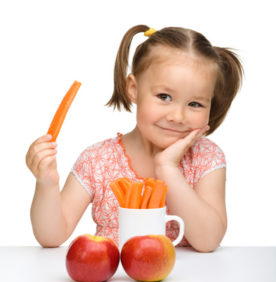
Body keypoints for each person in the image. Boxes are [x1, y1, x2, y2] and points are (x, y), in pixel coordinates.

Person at [26, 25, 243, 252]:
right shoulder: (97, 160)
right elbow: (51, 237)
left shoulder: (206, 158)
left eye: (195, 104)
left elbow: (208, 242)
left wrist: (167, 168)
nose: (178, 117)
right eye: (164, 96)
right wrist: (47, 184)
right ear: (133, 88)